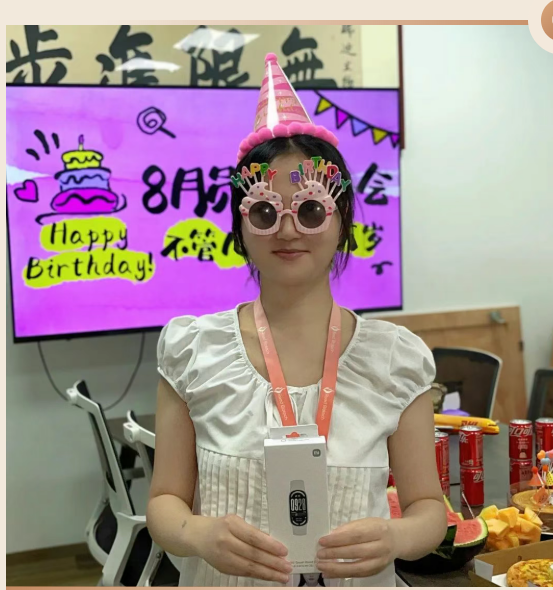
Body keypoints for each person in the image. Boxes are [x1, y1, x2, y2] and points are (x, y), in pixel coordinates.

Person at [147, 53, 447, 587]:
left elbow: (428, 509)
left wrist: (396, 537)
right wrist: (199, 534)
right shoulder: (193, 351)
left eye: (309, 210)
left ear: (341, 220)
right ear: (241, 227)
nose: (287, 230)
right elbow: (165, 501)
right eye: (265, 212)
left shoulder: (395, 360)